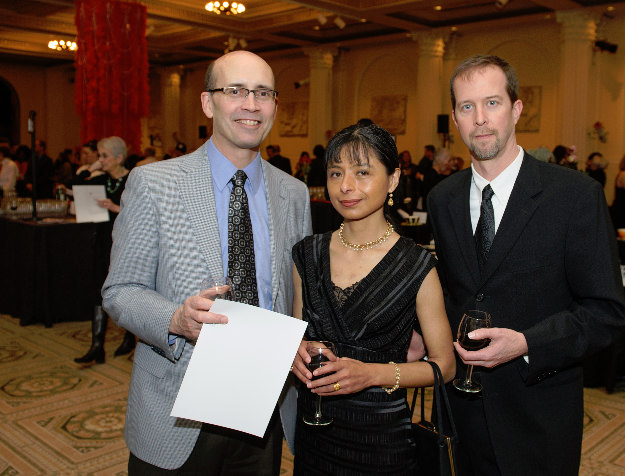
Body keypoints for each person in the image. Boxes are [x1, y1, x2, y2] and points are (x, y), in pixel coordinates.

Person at [102, 50, 311, 474]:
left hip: (262, 407)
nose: (250, 105)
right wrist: (175, 318)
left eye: (263, 93)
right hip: (175, 408)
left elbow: (297, 291)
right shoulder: (154, 183)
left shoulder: (294, 193)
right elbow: (119, 291)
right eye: (235, 91)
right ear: (207, 102)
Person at [427, 54, 625, 476]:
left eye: (492, 103)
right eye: (467, 107)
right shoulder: (442, 198)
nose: (480, 119)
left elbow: (606, 313)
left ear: (517, 109)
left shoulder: (574, 196)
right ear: (455, 119)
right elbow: (451, 292)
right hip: (462, 412)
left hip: (540, 415)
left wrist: (527, 343)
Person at [290, 123, 455, 475]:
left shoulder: (417, 266)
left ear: (393, 180)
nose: (346, 186)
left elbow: (445, 365)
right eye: (336, 173)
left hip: (381, 443)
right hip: (314, 435)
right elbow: (298, 338)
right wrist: (296, 351)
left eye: (362, 172)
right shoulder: (307, 254)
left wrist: (370, 374)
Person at [73, 136, 136, 364]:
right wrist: (91, 167)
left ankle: (130, 337)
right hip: (102, 242)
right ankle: (97, 346)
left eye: (104, 156)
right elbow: (76, 184)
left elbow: (141, 214)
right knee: (98, 291)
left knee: (128, 290)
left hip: (126, 244)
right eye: (99, 156)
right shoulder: (101, 180)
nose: (101, 160)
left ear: (119, 158)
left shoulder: (132, 179)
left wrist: (115, 207)